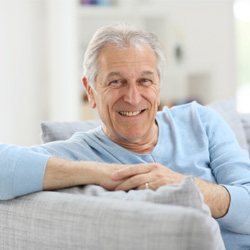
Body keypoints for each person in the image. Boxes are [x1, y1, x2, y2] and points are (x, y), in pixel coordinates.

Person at [0, 24, 249, 249]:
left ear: (158, 85)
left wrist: (187, 187)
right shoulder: (76, 153)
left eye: (144, 81)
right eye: (116, 82)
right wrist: (105, 173)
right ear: (90, 90)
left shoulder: (200, 120)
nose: (132, 96)